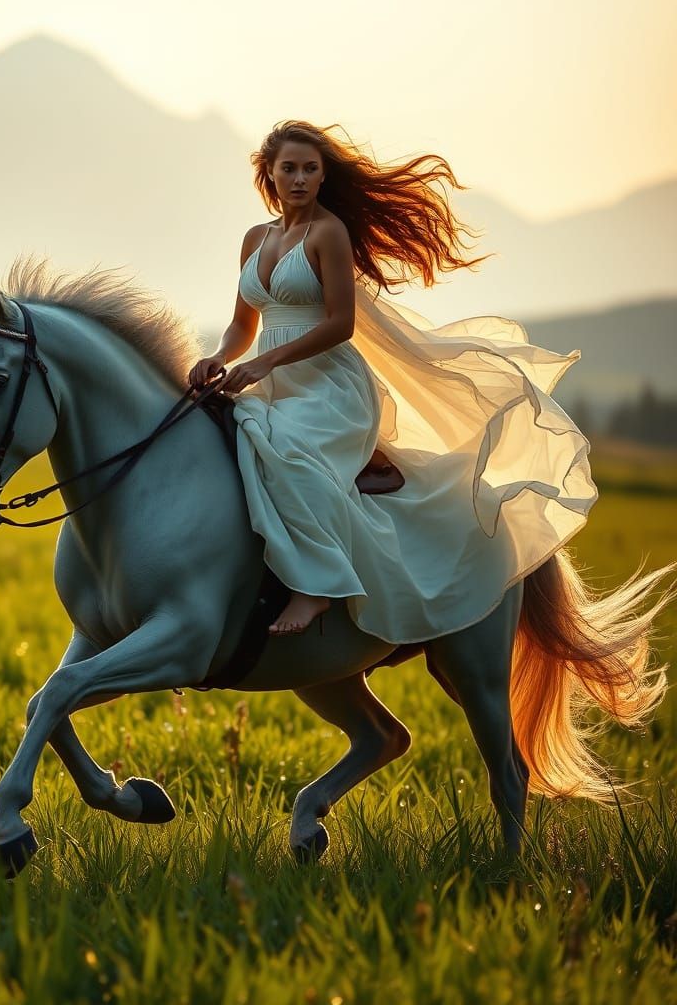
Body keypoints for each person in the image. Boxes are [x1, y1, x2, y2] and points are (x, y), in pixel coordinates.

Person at [188, 120, 597, 638]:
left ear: (321, 176)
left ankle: (318, 585)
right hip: (269, 381)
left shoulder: (328, 233)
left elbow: (340, 324)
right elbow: (244, 325)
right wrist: (219, 357)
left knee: (288, 449)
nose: (299, 179)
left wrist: (267, 362)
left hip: (329, 387)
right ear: (268, 172)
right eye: (288, 168)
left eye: (310, 169)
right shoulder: (254, 239)